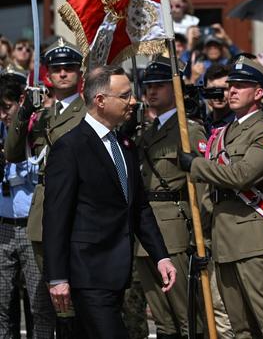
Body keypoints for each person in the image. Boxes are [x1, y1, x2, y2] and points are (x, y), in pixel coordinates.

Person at [42, 65, 176, 337]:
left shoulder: (124, 145)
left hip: (117, 272)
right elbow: (56, 216)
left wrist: (161, 256)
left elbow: (138, 207)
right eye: (125, 96)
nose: (134, 101)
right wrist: (56, 276)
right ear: (101, 101)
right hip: (87, 273)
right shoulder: (70, 148)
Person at [179, 56, 263, 339]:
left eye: (241, 86)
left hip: (254, 240)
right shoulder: (222, 132)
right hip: (224, 238)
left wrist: (196, 165)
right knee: (240, 328)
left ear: (259, 93)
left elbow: (242, 175)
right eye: (230, 86)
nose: (232, 91)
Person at [4, 38, 87, 335]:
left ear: (79, 72)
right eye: (56, 68)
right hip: (43, 210)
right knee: (49, 296)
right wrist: (24, 112)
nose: (62, 73)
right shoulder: (40, 115)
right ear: (47, 74)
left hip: (76, 209)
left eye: (69, 68)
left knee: (75, 291)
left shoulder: (88, 113)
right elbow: (13, 152)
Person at [135, 57, 206, 339]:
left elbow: (200, 184)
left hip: (174, 228)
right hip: (144, 230)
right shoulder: (146, 132)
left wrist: (203, 237)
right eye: (148, 85)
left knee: (187, 315)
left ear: (175, 88)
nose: (152, 91)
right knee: (162, 320)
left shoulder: (189, 130)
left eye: (160, 85)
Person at [0, 73, 55, 337]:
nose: (2, 115)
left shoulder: (39, 129)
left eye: (6, 107)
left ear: (21, 101)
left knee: (39, 305)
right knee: (2, 304)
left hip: (33, 228)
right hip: (4, 227)